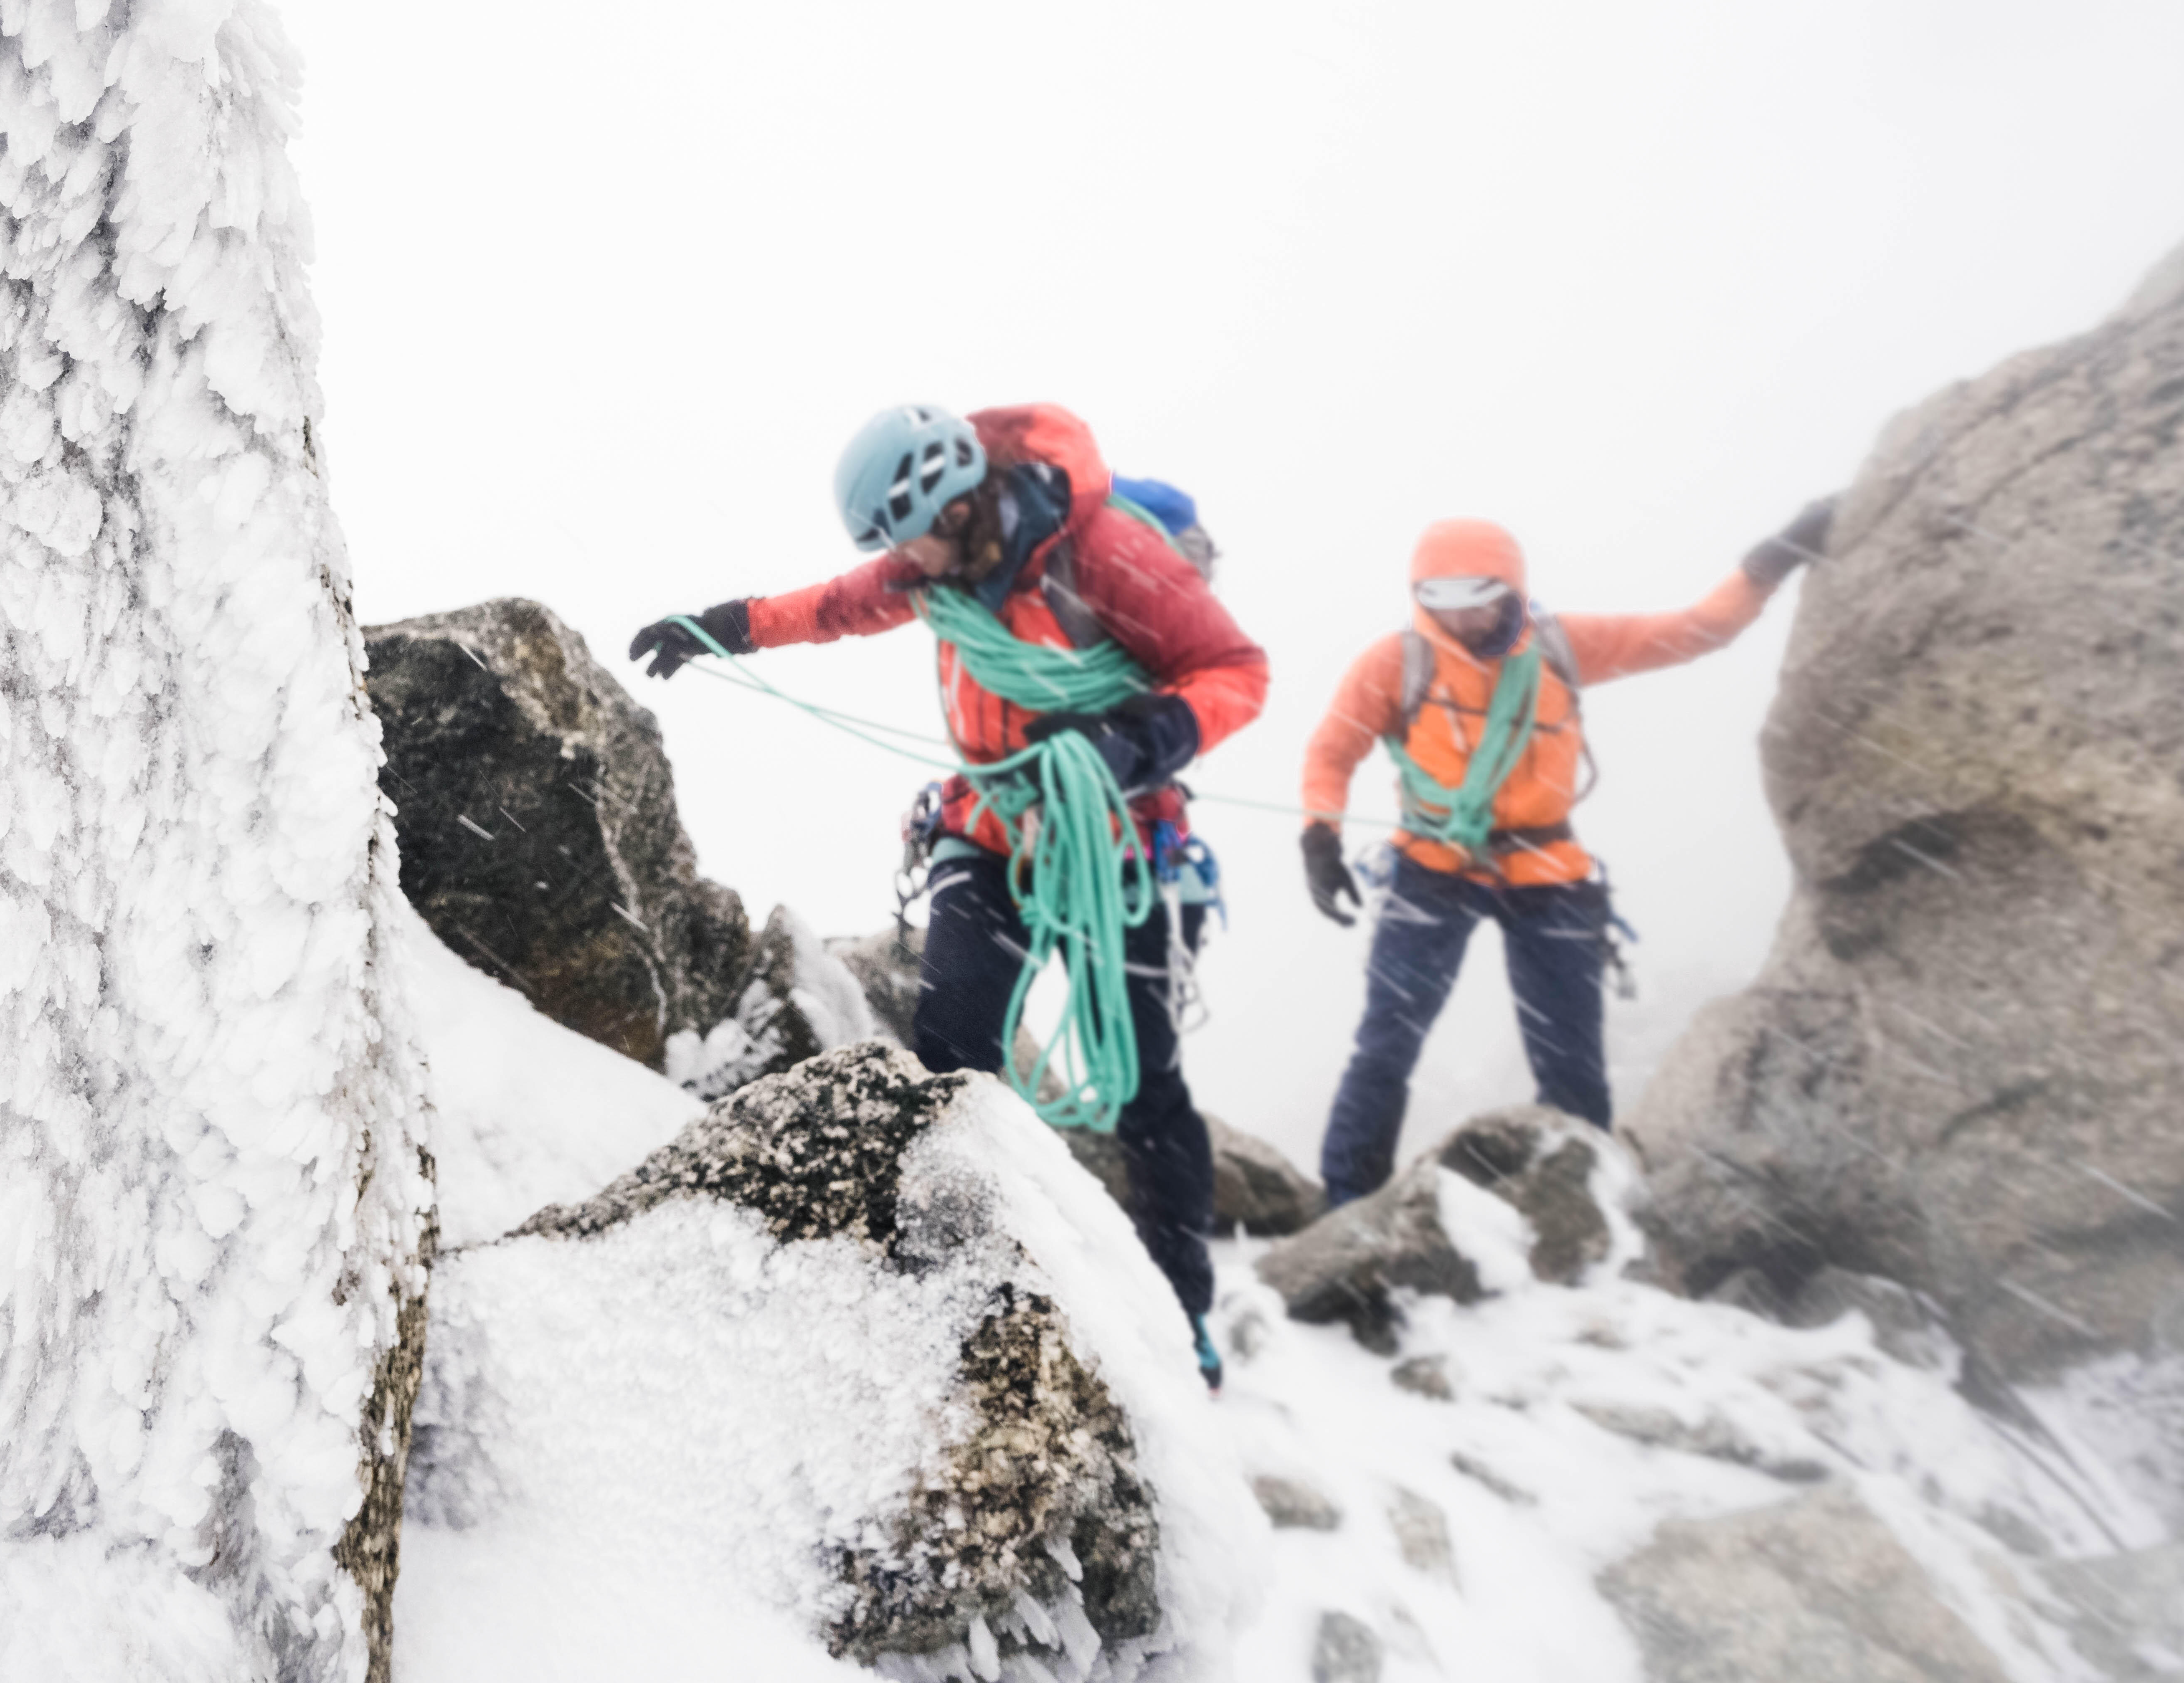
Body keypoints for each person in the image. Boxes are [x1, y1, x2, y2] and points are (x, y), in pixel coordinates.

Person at [631, 404, 1269, 1382]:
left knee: (1145, 1091)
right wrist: (726, 629)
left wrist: (1138, 744)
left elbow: (1235, 669)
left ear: (960, 499)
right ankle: (948, 1270)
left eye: (915, 537)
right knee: (953, 1052)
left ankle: (1180, 1317)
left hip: (1123, 840)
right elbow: (837, 604)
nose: (909, 565)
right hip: (992, 825)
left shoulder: (1102, 555)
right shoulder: (935, 568)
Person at [1297, 502, 1839, 1205]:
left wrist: (1770, 560)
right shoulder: (1397, 663)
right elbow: (1332, 751)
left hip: (1549, 873)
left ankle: (1583, 1213)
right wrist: (1320, 836)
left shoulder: (1561, 646)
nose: (1460, 616)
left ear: (1512, 590)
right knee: (1387, 1047)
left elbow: (1698, 631)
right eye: (1438, 598)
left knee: (1571, 1063)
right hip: (1433, 869)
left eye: (1478, 596)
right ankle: (1348, 1204)